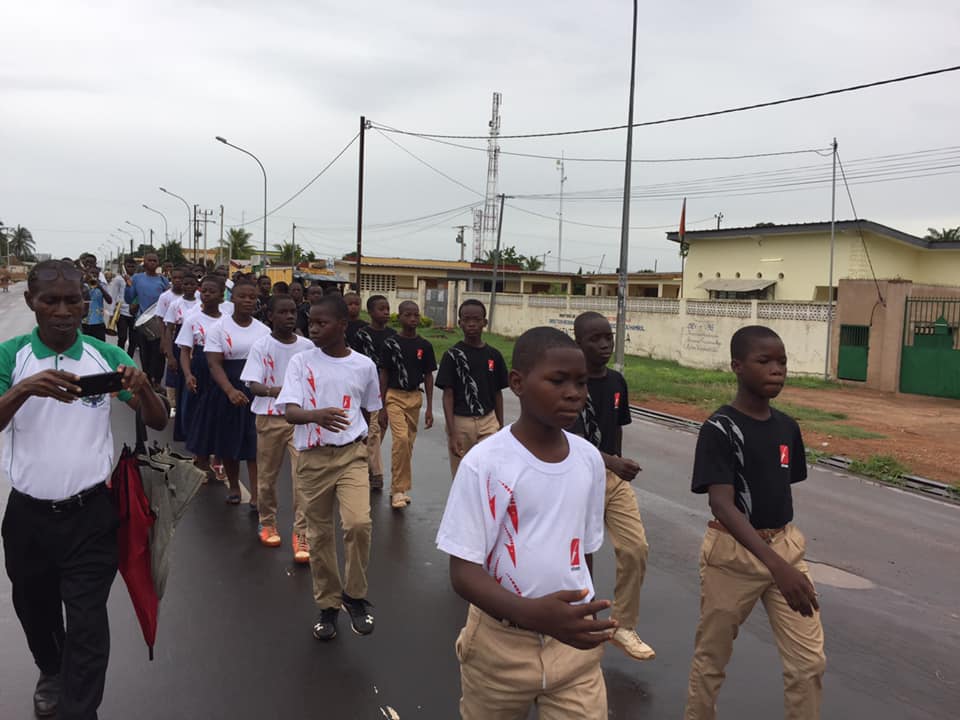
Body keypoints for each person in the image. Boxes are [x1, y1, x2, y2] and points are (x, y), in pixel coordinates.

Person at [0, 260, 167, 719]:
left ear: (84, 300)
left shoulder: (105, 355)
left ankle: (80, 709)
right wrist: (23, 390)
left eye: (72, 300)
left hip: (91, 516)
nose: (62, 311)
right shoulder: (11, 356)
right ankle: (51, 670)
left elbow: (156, 420)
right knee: (35, 610)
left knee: (88, 622)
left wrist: (142, 388)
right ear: (31, 301)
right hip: (27, 518)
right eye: (50, 301)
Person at [435, 326, 614, 720]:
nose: (574, 393)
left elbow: (584, 551)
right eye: (558, 380)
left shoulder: (588, 459)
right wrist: (531, 614)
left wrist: (582, 612)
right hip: (500, 648)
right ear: (517, 383)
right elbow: (463, 572)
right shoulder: (486, 463)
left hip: (572, 650)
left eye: (581, 382)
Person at [683, 325, 825, 720]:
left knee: (809, 664)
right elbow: (722, 504)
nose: (777, 370)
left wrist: (782, 559)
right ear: (737, 366)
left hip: (785, 550)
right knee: (712, 660)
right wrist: (776, 566)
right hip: (733, 554)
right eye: (765, 361)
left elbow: (781, 486)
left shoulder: (787, 427)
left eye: (782, 362)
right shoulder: (719, 429)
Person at [277, 295, 382, 641]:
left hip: (351, 455)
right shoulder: (301, 362)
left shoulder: (364, 365)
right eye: (311, 323)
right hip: (313, 459)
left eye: (322, 323)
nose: (313, 329)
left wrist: (361, 442)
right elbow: (290, 412)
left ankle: (355, 596)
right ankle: (327, 605)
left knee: (358, 523)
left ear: (342, 325)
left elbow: (368, 409)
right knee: (319, 536)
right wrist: (316, 416)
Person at [569, 311, 655, 662]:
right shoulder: (570, 383)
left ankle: (623, 626)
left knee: (635, 548)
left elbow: (616, 426)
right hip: (575, 477)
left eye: (609, 337)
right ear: (578, 342)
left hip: (612, 479)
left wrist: (617, 466)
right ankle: (583, 619)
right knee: (579, 553)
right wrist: (612, 461)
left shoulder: (617, 382)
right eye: (596, 339)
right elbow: (570, 439)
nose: (605, 344)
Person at [240, 294, 314, 561]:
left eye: (293, 311)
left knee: (302, 475)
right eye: (283, 312)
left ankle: (301, 532)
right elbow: (253, 384)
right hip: (270, 418)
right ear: (270, 316)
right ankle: (267, 521)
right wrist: (279, 391)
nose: (290, 316)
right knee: (267, 476)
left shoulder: (307, 346)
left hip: (300, 419)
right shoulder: (261, 346)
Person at [190, 279, 270, 506]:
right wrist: (230, 391)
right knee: (228, 441)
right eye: (242, 296)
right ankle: (234, 486)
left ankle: (257, 494)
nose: (247, 301)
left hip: (255, 390)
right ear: (232, 298)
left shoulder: (264, 331)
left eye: (252, 297)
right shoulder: (218, 328)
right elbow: (214, 364)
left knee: (254, 444)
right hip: (227, 389)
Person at [435, 299, 508, 477]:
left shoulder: (494, 355)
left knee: (489, 473)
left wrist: (500, 426)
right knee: (463, 475)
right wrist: (452, 433)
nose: (471, 324)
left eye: (476, 319)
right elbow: (448, 395)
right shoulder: (452, 356)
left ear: (485, 322)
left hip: (488, 421)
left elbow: (497, 393)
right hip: (461, 423)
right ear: (460, 323)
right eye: (466, 319)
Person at [378, 301, 435, 509]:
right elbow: (384, 373)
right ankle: (399, 490)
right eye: (408, 315)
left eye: (416, 315)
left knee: (408, 444)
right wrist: (381, 406)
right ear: (399, 317)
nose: (412, 319)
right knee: (400, 439)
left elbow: (428, 376)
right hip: (394, 396)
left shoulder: (425, 345)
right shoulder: (390, 344)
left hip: (414, 397)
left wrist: (429, 408)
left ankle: (397, 485)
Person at [178, 275, 226, 479]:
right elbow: (184, 351)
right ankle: (201, 458)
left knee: (221, 415)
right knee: (199, 416)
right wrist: (188, 374)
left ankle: (219, 458)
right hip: (200, 370)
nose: (206, 294)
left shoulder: (228, 319)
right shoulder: (193, 319)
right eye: (204, 291)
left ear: (221, 295)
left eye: (211, 291)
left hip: (222, 370)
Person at [349, 295, 396, 491]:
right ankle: (374, 471)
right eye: (381, 309)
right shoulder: (362, 335)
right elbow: (354, 361)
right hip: (365, 387)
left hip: (386, 388)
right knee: (371, 429)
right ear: (370, 312)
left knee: (377, 430)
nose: (385, 312)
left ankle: (369, 465)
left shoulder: (393, 335)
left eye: (387, 309)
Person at [124, 252, 170, 388]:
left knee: (159, 354)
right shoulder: (137, 278)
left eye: (155, 260)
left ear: (158, 263)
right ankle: (148, 380)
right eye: (149, 260)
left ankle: (157, 381)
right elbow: (129, 299)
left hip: (159, 322)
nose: (152, 263)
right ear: (144, 262)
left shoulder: (163, 280)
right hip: (143, 321)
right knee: (145, 353)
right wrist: (128, 286)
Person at [163, 272, 199, 437]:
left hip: (197, 345)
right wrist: (170, 355)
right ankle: (182, 424)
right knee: (181, 385)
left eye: (192, 284)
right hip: (180, 345)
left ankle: (196, 421)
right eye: (186, 284)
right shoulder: (175, 304)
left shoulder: (201, 303)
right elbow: (169, 330)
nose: (189, 287)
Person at [80, 266, 113, 341]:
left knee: (100, 345)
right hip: (84, 322)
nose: (94, 275)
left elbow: (109, 301)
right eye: (92, 273)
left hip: (98, 321)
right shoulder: (82, 285)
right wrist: (85, 283)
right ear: (87, 274)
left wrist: (100, 287)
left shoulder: (102, 285)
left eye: (96, 273)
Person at [115, 258, 138, 354]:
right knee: (122, 337)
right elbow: (114, 295)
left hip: (134, 313)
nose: (131, 268)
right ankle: (120, 357)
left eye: (133, 266)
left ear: (135, 267)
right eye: (128, 266)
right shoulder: (118, 279)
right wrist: (112, 313)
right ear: (125, 267)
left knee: (134, 339)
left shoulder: (138, 278)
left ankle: (129, 359)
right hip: (122, 312)